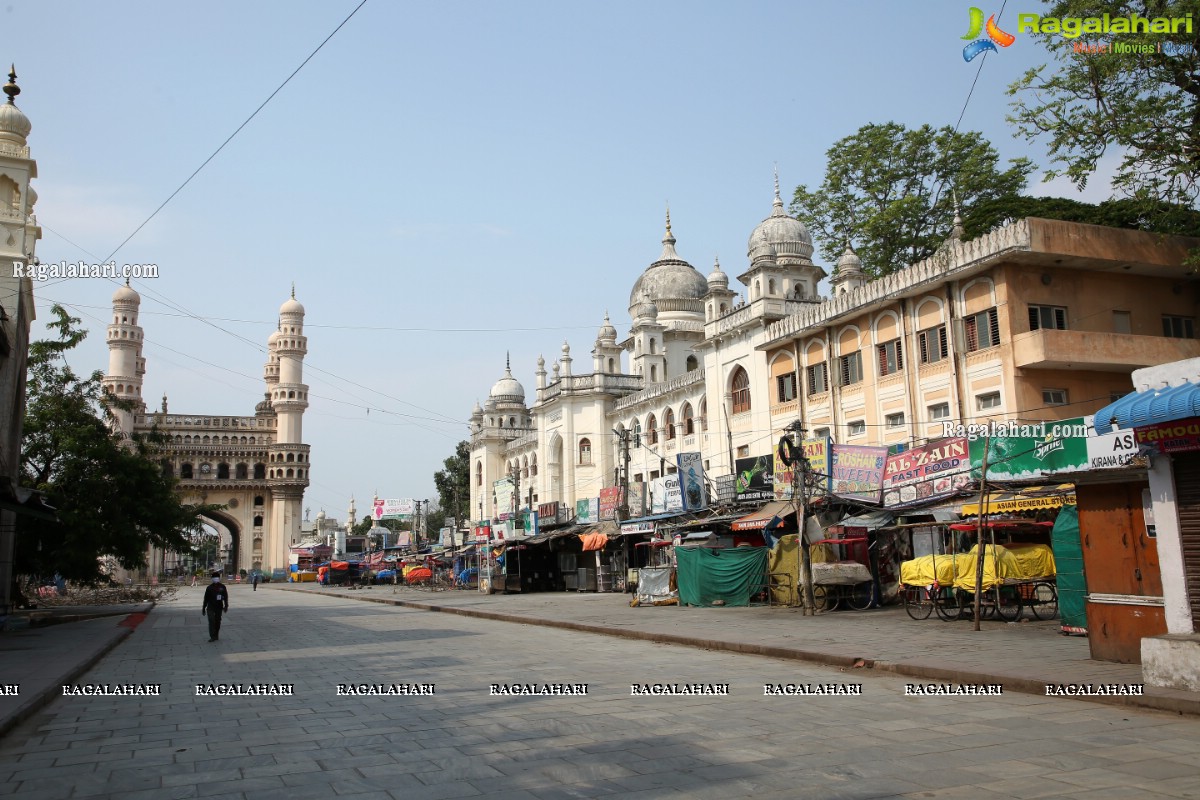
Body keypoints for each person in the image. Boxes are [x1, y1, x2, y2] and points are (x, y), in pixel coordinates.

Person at [201, 571, 229, 642]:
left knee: (217, 621)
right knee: (211, 621)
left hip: (219, 607)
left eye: (217, 578)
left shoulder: (222, 587)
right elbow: (206, 598)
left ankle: (216, 634)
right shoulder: (209, 588)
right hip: (210, 607)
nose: (215, 579)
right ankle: (212, 636)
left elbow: (225, 597)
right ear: (212, 579)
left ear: (219, 578)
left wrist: (226, 606)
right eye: (214, 578)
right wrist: (204, 608)